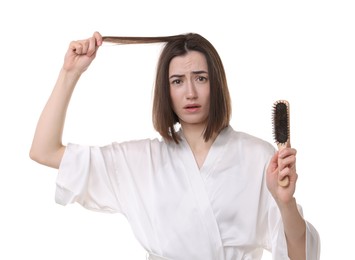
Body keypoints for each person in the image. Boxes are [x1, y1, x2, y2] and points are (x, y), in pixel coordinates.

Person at [30, 31, 320, 260]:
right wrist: (70, 73)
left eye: (201, 78)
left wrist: (286, 203)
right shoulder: (142, 159)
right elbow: (44, 151)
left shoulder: (258, 157)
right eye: (178, 81)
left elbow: (300, 256)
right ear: (165, 91)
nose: (190, 92)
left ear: (216, 83)